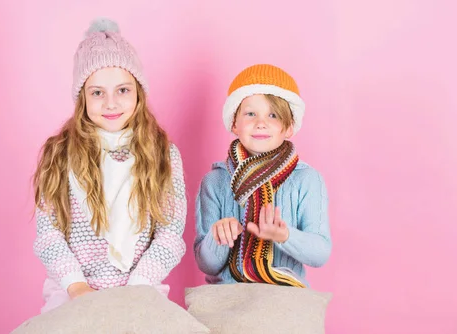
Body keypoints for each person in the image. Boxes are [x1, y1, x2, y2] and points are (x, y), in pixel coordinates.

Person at [32, 18, 187, 313]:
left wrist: (137, 287)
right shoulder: (60, 154)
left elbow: (170, 232)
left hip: (142, 286)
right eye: (98, 92)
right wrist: (77, 286)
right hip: (74, 289)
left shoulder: (164, 154)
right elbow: (48, 233)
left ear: (139, 92)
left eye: (123, 90)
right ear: (82, 98)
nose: (111, 103)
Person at [194, 64, 331, 288]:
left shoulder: (307, 180)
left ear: (288, 128)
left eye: (273, 115)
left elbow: (320, 253)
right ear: (234, 123)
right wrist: (218, 238)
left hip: (284, 299)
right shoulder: (215, 181)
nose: (261, 123)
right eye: (250, 114)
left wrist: (285, 236)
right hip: (227, 300)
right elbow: (205, 264)